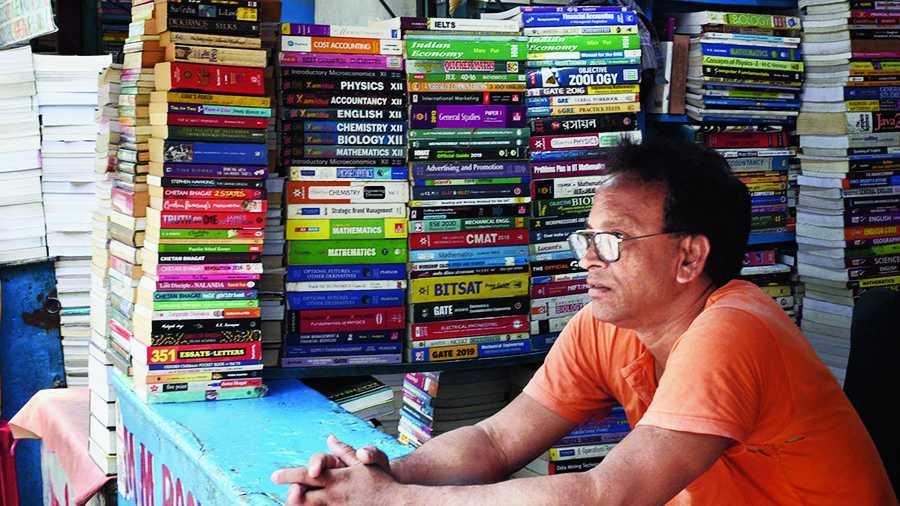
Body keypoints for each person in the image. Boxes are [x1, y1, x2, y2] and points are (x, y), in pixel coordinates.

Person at [272, 137, 898, 505]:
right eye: (587, 239)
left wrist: (401, 504)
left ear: (689, 256)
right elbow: (494, 441)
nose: (589, 260)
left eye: (616, 240)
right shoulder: (608, 321)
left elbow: (607, 494)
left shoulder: (734, 329)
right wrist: (384, 476)